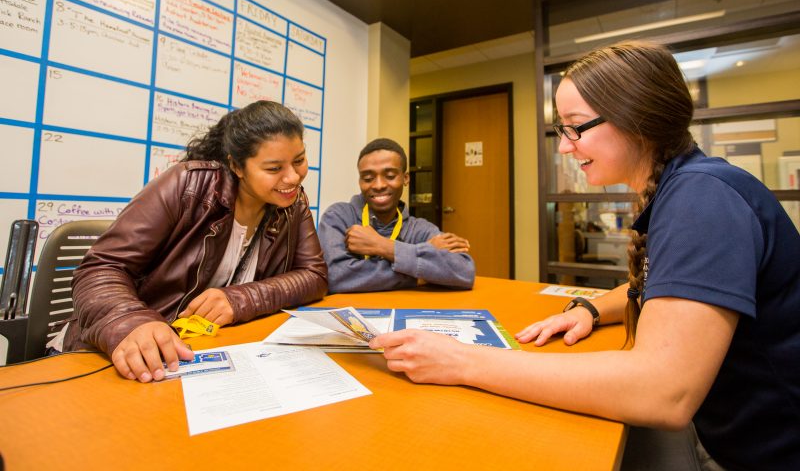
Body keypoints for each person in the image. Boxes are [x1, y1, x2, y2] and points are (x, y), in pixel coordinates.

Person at [369, 42, 800, 470]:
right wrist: (592, 309)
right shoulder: (686, 186)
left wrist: (460, 361)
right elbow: (670, 287)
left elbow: (662, 391)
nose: (564, 147)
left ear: (638, 121)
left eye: (576, 127)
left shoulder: (702, 198)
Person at [61, 101, 328, 382]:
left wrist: (243, 298)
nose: (294, 177)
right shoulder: (187, 186)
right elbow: (101, 268)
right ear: (237, 166)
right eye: (274, 168)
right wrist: (132, 323)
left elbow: (314, 275)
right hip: (131, 356)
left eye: (299, 160)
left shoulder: (293, 204)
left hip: (212, 351)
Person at [318, 138, 475, 293]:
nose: (379, 185)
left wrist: (382, 246)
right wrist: (420, 273)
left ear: (405, 178)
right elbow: (335, 277)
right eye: (368, 178)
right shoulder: (338, 216)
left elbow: (464, 271)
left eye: (390, 176)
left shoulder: (419, 228)